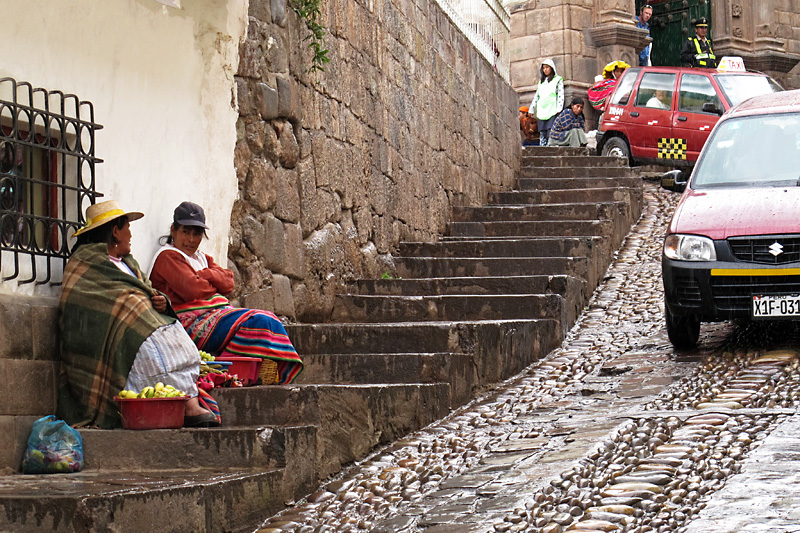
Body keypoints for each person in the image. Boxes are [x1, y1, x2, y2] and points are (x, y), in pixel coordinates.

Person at [58, 200, 219, 429]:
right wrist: (135, 306)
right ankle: (175, 406)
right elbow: (93, 304)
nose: (131, 234)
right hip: (111, 339)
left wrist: (160, 302)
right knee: (155, 356)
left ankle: (187, 404)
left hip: (144, 326)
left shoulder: (128, 263)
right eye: (127, 228)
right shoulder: (85, 263)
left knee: (183, 351)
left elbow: (142, 291)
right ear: (115, 232)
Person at [149, 202, 304, 384]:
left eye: (197, 234)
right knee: (260, 321)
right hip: (191, 323)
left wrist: (204, 274)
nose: (191, 239)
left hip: (214, 314)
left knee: (267, 318)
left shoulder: (202, 258)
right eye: (186, 232)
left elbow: (229, 282)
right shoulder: (167, 256)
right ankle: (226, 372)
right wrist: (212, 282)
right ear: (173, 230)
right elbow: (193, 289)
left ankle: (239, 371)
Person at [529, 59, 563, 147]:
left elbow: (560, 94)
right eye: (543, 68)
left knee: (550, 130)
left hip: (552, 109)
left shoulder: (557, 80)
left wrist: (559, 108)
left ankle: (550, 147)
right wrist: (532, 108)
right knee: (542, 132)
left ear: (551, 68)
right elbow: (537, 96)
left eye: (547, 67)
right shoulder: (541, 82)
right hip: (542, 110)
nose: (545, 70)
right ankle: (543, 147)